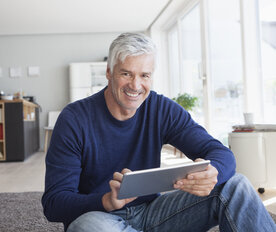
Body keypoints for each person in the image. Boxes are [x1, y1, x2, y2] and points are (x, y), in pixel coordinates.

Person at [42, 33, 276, 232]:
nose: (135, 85)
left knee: (235, 184)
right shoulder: (74, 119)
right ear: (109, 72)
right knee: (88, 227)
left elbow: (218, 151)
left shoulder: (161, 108)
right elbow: (54, 203)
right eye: (126, 74)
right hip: (100, 217)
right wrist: (105, 200)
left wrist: (213, 172)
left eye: (144, 75)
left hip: (155, 214)